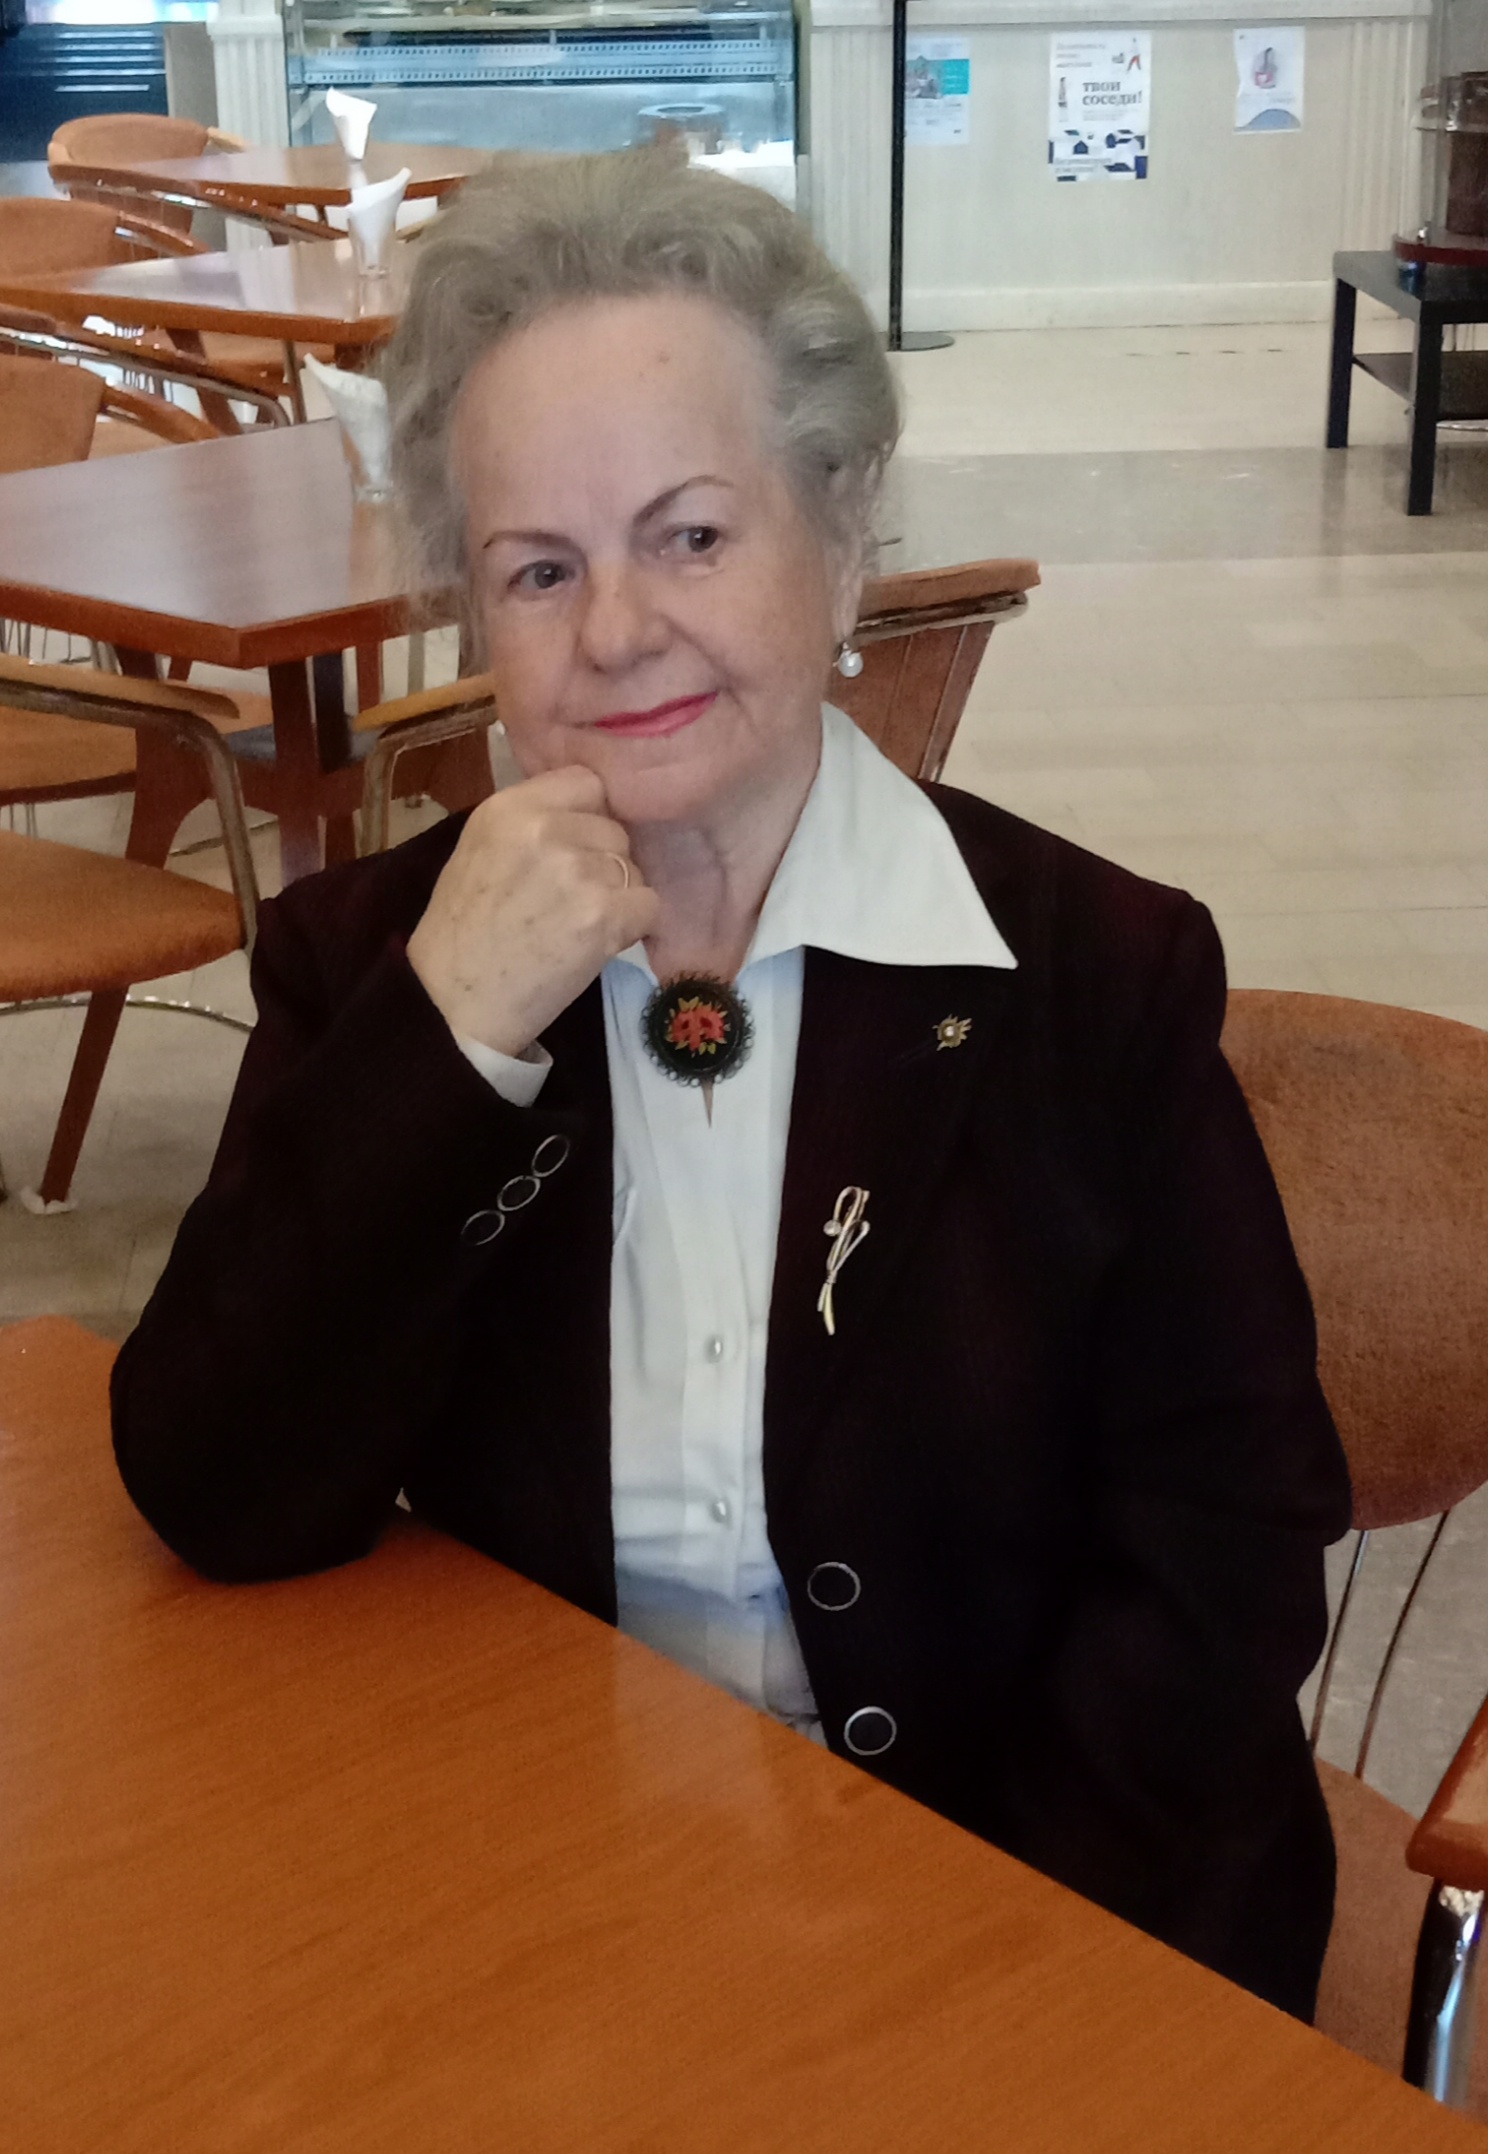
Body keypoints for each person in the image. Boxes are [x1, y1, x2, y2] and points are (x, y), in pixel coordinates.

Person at [112, 150, 1350, 2019]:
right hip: (537, 1919)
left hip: (1031, 1930)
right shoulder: (372, 965)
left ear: (841, 538)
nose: (615, 631)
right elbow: (219, 1487)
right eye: (540, 568)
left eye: (691, 536)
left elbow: (1222, 1557)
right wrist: (451, 1039)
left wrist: (969, 1972)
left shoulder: (1096, 977)